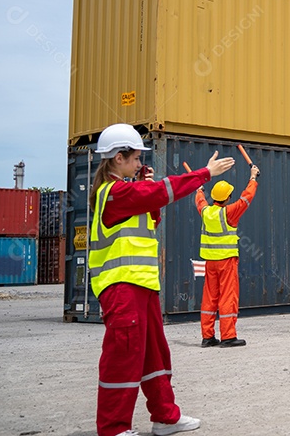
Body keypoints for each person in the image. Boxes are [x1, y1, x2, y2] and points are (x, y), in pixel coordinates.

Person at [89, 123, 234, 436]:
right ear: (117, 158)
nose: (140, 162)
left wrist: (144, 186)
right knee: (123, 357)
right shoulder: (113, 193)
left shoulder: (126, 190)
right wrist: (204, 174)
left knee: (156, 353)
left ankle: (165, 417)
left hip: (142, 286)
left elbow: (152, 212)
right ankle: (113, 428)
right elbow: (162, 193)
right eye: (136, 157)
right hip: (120, 287)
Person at [194, 162, 260, 348]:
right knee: (227, 298)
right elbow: (246, 198)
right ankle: (228, 336)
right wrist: (253, 177)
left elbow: (200, 200)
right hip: (227, 262)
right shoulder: (229, 213)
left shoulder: (206, 212)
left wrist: (199, 187)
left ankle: (207, 337)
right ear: (228, 197)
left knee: (209, 298)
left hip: (210, 262)